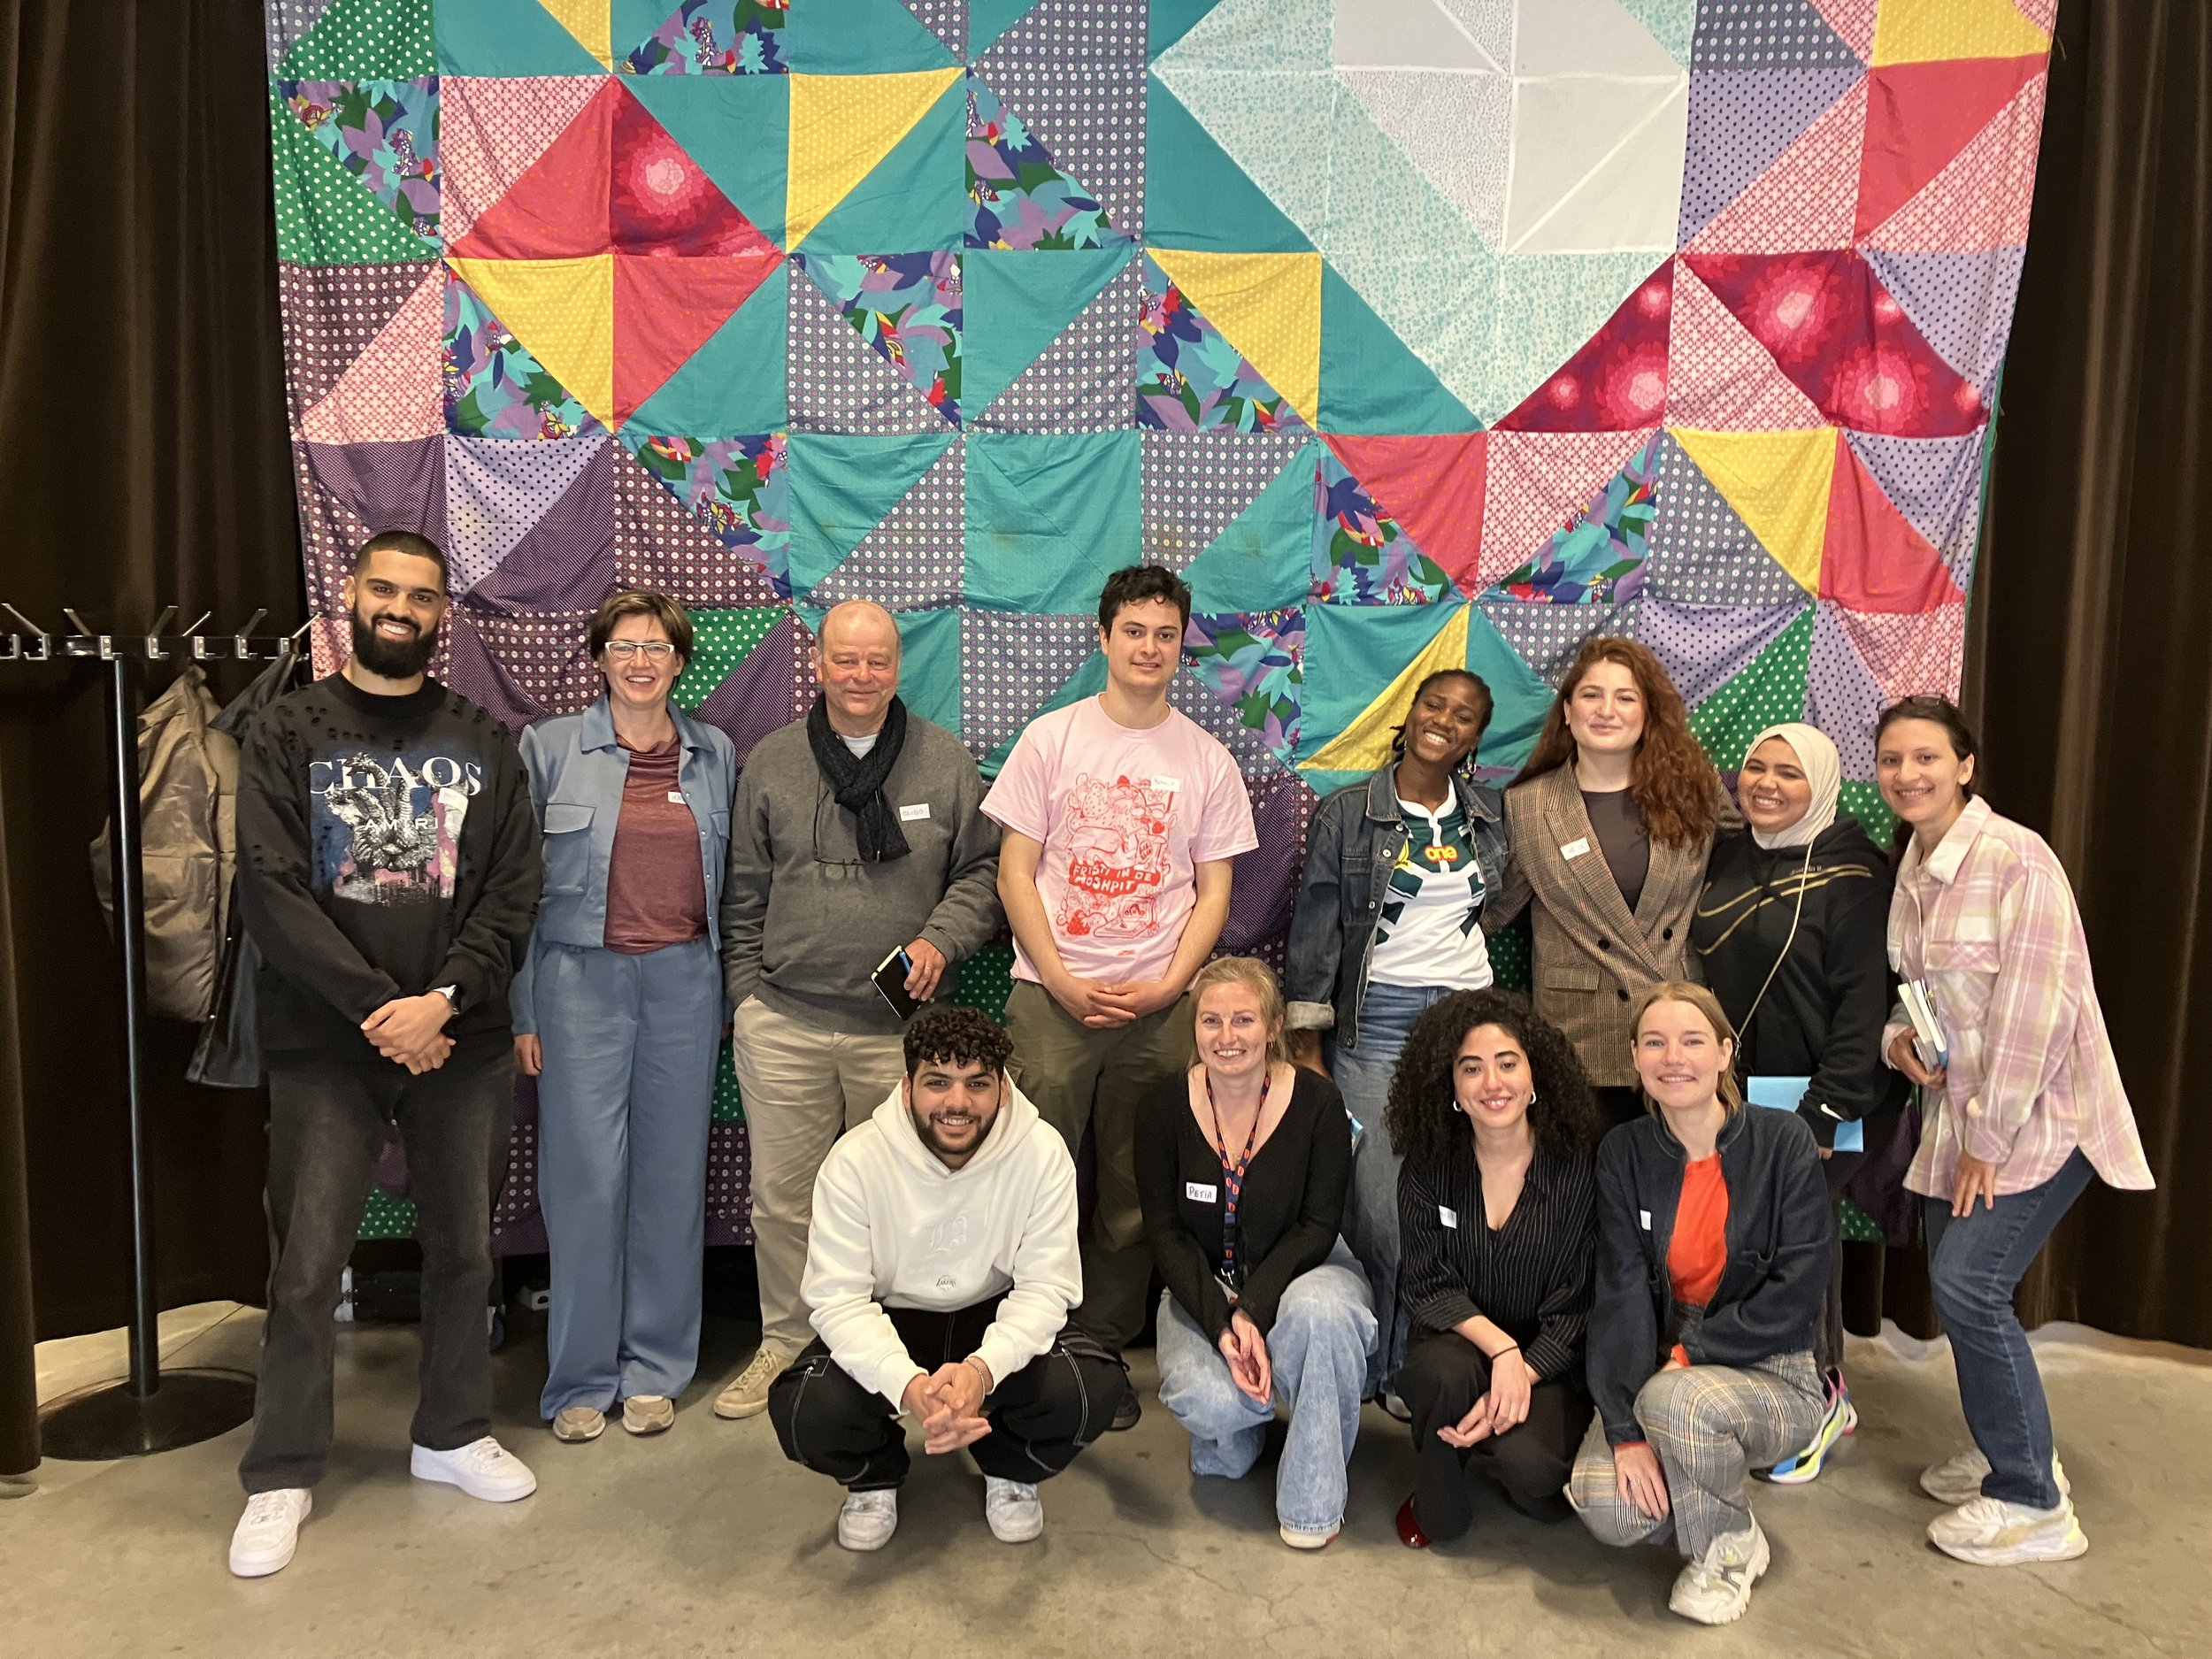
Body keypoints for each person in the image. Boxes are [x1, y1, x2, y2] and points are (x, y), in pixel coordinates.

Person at [226, 532, 542, 1578]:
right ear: (352, 597)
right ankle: (282, 1469)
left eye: (421, 594)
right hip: (328, 1042)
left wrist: (442, 1000)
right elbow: (270, 889)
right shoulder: (287, 729)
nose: (400, 607)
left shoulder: (483, 739)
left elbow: (512, 890)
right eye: (383, 589)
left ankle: (451, 1432)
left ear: (443, 613)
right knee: (307, 1264)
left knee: (463, 1252)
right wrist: (381, 1011)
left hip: (463, 1036)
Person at [1875, 696, 2152, 1566]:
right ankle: (2008, 1445)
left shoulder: (2015, 858)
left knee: (1968, 1286)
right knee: (1957, 1287)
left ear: (1965, 766)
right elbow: (1915, 991)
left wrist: (1987, 1140)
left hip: (2037, 1119)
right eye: (1891, 760)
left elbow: (2038, 1013)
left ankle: (2033, 1499)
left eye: (1926, 757)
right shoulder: (1913, 865)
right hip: (1958, 1117)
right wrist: (1898, 1042)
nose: (1907, 774)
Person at [712, 601, 1002, 1421]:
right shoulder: (772, 763)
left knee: (910, 1195)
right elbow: (743, 890)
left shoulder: (945, 761)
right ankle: (786, 1342)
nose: (861, 675)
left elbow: (983, 873)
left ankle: (898, 1356)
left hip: (904, 1037)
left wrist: (942, 938)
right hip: (786, 1023)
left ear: (898, 666)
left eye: (877, 660)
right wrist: (747, 998)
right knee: (785, 1201)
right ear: (818, 663)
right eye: (845, 659)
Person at [986, 565, 1258, 1416]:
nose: (1149, 647)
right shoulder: (1051, 739)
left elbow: (1214, 893)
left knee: (1138, 1186)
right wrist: (1062, 979)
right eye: (1133, 631)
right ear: (1102, 637)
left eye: (1165, 634)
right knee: (1029, 1171)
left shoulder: (1207, 759)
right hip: (1050, 999)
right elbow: (1014, 873)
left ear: (1181, 646)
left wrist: (1171, 986)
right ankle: (1019, 1342)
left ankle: (1099, 1347)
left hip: (1158, 1009)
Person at [766, 1006, 1126, 1550]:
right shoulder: (855, 1160)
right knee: (804, 1410)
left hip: (995, 1314)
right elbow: (838, 1300)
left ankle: (1009, 1467)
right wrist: (908, 1386)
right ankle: (874, 1477)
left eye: (977, 1084)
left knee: (1091, 1387)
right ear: (906, 1086)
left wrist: (982, 1372)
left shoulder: (1042, 1152)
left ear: (1002, 1089)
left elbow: (1046, 1288)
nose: (957, 1103)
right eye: (937, 1082)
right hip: (891, 1318)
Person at [509, 591, 736, 1443]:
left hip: (685, 983)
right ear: (599, 657)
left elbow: (733, 883)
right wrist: (523, 1008)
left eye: (658, 647)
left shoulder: (715, 753)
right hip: (578, 986)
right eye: (624, 646)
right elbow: (512, 889)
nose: (641, 661)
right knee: (585, 1182)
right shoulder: (548, 748)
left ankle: (656, 1367)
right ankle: (579, 1375)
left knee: (671, 1179)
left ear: (680, 661)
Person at [1569, 982, 1831, 1626]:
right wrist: (1624, 1431)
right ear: (1635, 1056)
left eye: (1691, 1041)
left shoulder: (1784, 1140)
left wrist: (1692, 1353)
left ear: (1724, 1052)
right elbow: (1621, 1291)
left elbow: (1800, 1287)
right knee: (1607, 1505)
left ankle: (1728, 1549)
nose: (1673, 1058)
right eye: (1654, 1042)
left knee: (1677, 1400)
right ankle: (1716, 1500)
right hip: (1663, 1361)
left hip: (1774, 1365)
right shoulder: (1623, 1152)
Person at [1286, 668, 1507, 1402]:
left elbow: (1492, 909)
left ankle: (1415, 1363)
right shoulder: (1348, 813)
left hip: (1466, 1023)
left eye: (1464, 715)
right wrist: (1307, 1045)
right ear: (1410, 714)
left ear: (1476, 737)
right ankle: (1372, 1363)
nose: (1446, 720)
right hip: (1376, 1020)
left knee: (1452, 1199)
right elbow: (1315, 933)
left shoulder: (1489, 816)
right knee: (1381, 1208)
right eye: (1434, 705)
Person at [1691, 723, 1895, 1482]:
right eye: (1756, 767)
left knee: (1795, 1238)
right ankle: (1774, 1382)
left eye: (1789, 772)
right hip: (1738, 1092)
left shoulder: (1855, 872)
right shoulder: (1727, 854)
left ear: (1822, 785)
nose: (1767, 783)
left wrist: (1827, 1110)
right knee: (1756, 1237)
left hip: (1822, 1096)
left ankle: (1821, 1393)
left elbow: (1863, 1005)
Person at [1136, 958, 1371, 1549]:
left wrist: (1252, 1311)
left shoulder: (1319, 1103)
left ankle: (1312, 1503)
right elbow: (1166, 1234)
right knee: (1210, 1409)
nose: (1227, 1036)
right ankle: (1249, 1423)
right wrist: (1222, 1326)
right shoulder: (1161, 1106)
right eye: (1211, 1020)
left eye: (1243, 1019)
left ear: (1273, 1026)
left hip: (1306, 1270)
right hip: (1205, 1280)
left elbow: (1318, 1225)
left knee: (1324, 1316)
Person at [1489, 638, 1730, 1131]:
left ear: (1648, 712)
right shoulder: (1527, 806)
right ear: (1568, 710)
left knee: (1681, 1174)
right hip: (1578, 1039)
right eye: (1591, 695)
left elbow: (1754, 864)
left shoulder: (1696, 793)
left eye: (1625, 697)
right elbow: (1493, 912)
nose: (1606, 710)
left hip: (1676, 1035)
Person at [1388, 988, 1599, 1548]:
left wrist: (1520, 1371)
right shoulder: (1429, 1165)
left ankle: (1493, 1440)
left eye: (1507, 1064)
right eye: (1471, 1068)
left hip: (1549, 1357)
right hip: (1459, 1341)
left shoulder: (1576, 1166)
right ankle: (1436, 1502)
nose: (1492, 1083)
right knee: (1444, 1377)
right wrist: (1500, 1350)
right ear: (1452, 1087)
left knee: (1533, 1471)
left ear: (1534, 1077)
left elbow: (1577, 1301)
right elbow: (1426, 1282)